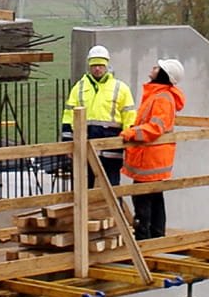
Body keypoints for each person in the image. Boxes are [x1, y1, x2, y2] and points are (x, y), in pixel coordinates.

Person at [123, 58, 184, 240]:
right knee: (155, 198)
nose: (153, 68)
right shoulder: (158, 94)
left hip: (150, 158)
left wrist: (131, 133)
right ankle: (156, 237)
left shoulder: (162, 98)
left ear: (164, 74)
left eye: (157, 67)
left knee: (142, 200)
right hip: (153, 157)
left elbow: (156, 128)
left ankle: (145, 240)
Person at [61, 45, 138, 185]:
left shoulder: (120, 88)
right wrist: (67, 141)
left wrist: (128, 141)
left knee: (111, 186)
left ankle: (114, 207)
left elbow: (129, 117)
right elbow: (68, 115)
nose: (97, 68)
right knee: (85, 187)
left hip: (112, 146)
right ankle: (87, 208)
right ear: (89, 66)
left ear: (107, 66)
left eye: (101, 65)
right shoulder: (79, 87)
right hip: (86, 145)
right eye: (94, 65)